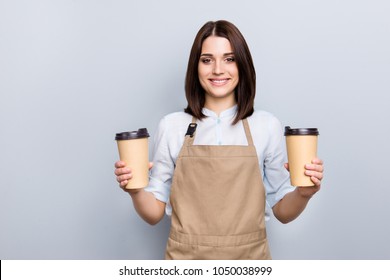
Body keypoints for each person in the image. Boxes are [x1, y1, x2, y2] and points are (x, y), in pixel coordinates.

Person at [114, 20, 324, 260]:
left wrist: (304, 193)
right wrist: (134, 190)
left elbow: (283, 212)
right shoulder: (172, 126)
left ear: (242, 65)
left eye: (229, 59)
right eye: (207, 60)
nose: (217, 69)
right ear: (196, 67)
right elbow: (153, 213)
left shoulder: (266, 125)